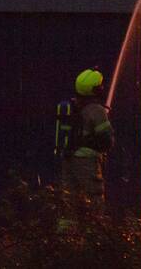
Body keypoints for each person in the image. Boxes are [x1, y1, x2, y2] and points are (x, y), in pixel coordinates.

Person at [56, 68, 115, 208]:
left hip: (68, 158)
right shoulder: (97, 110)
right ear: (95, 89)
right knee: (94, 199)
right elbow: (107, 140)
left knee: (68, 200)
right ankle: (93, 229)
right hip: (87, 162)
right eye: (100, 86)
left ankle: (65, 229)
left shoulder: (72, 106)